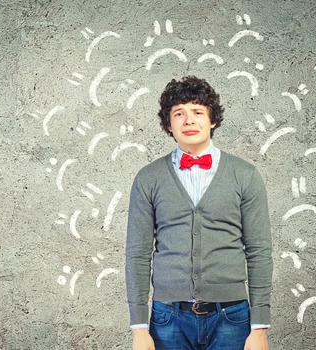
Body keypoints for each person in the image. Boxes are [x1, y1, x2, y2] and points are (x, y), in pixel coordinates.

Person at [125, 76, 273, 350]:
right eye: (178, 114)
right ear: (169, 125)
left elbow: (259, 251)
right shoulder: (148, 178)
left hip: (233, 317)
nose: (188, 120)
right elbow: (137, 253)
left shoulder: (245, 175)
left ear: (212, 119)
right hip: (167, 318)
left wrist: (260, 326)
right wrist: (138, 327)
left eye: (197, 112)